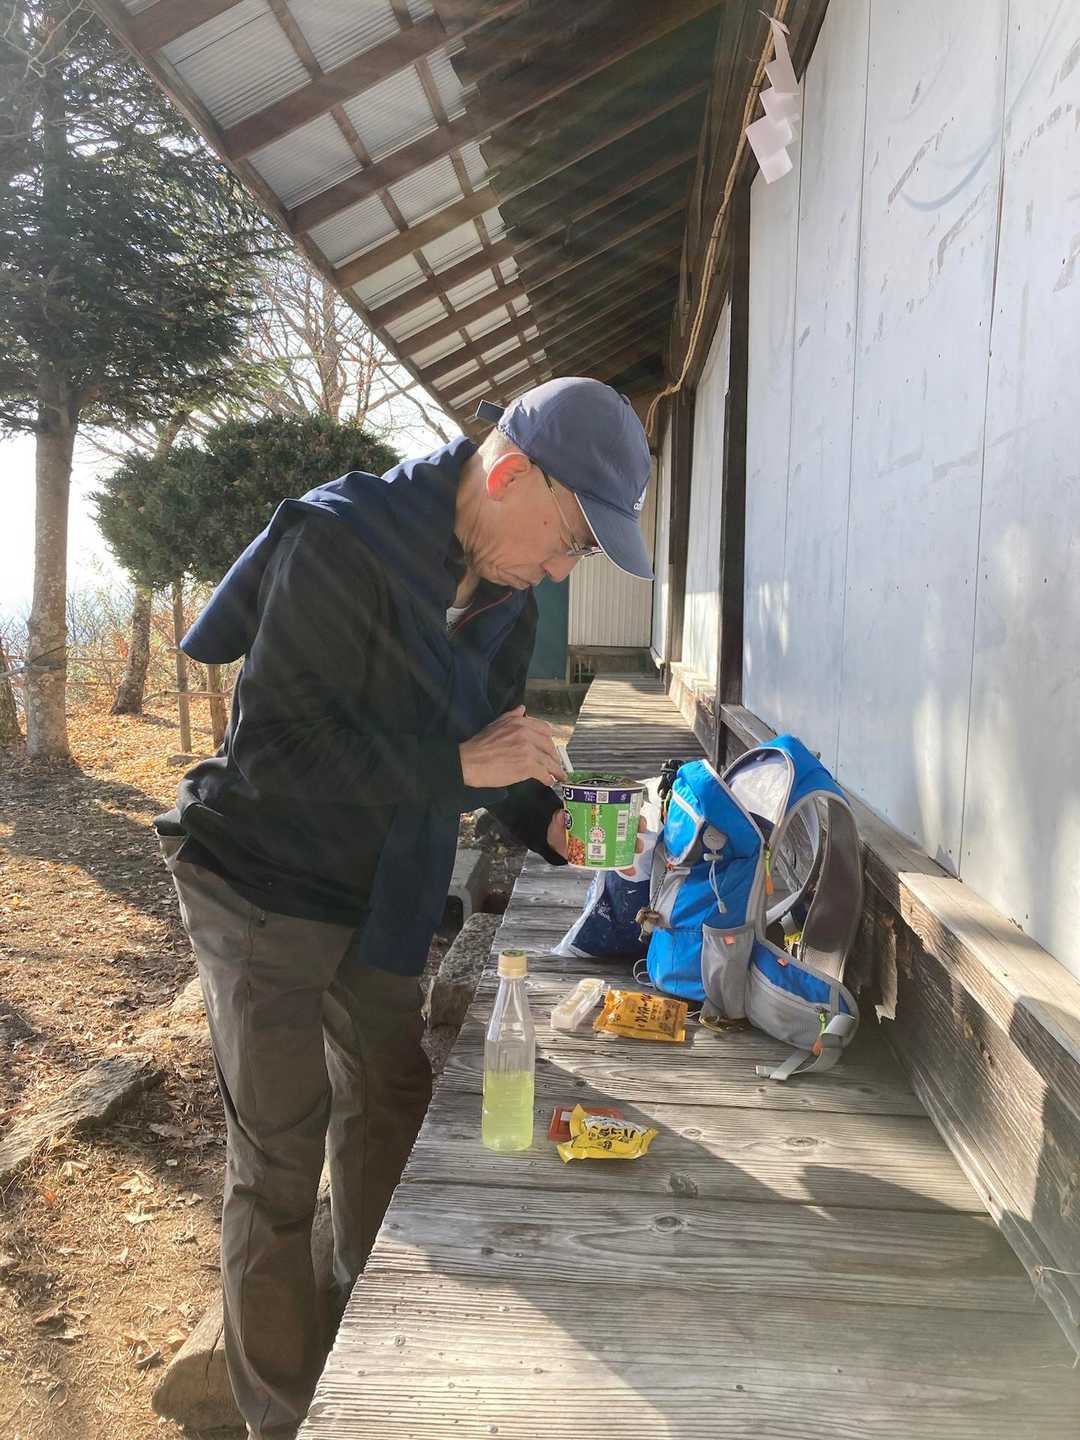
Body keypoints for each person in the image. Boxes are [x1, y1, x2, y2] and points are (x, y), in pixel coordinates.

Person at [153, 377, 653, 1439]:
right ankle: (283, 1414)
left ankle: (379, 1340)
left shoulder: (510, 598)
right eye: (572, 539)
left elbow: (491, 752)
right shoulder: (341, 542)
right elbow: (278, 757)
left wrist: (547, 823)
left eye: (582, 556)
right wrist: (455, 765)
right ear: (510, 473)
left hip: (376, 888)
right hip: (261, 881)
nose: (563, 570)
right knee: (279, 1157)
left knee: (389, 1103)